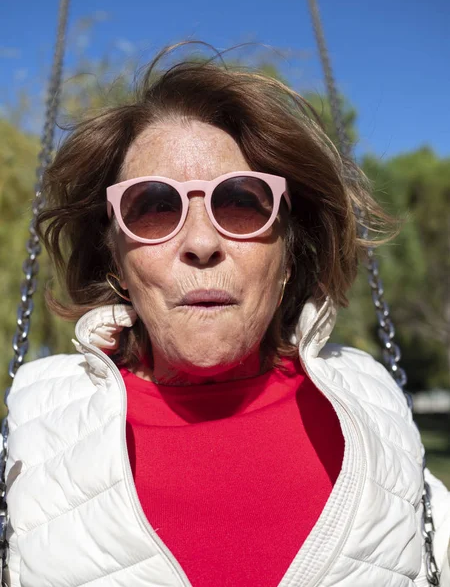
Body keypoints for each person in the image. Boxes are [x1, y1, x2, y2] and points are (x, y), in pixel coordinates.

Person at [5, 47, 450, 587]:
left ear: (289, 252)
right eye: (154, 207)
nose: (200, 242)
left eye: (241, 201)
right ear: (116, 259)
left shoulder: (373, 410)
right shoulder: (36, 430)